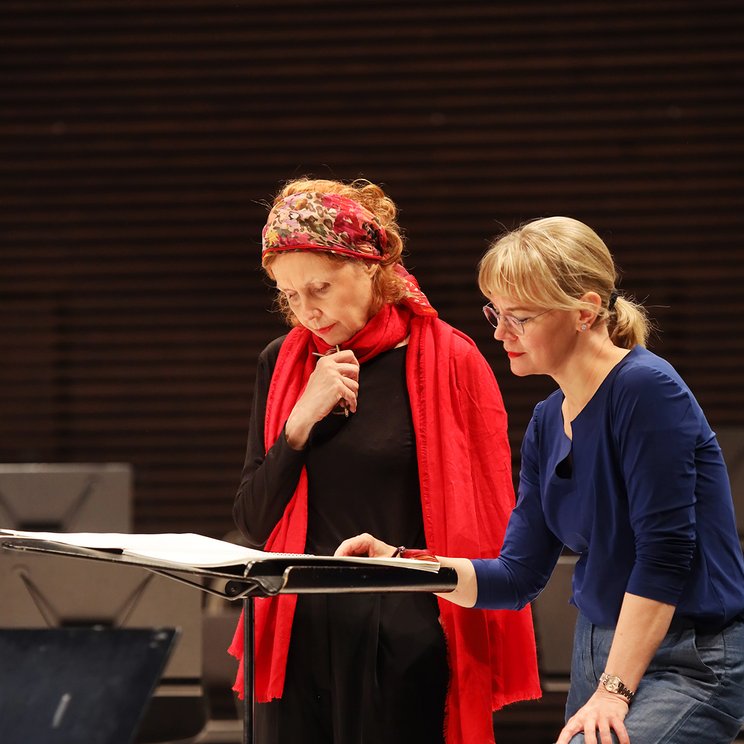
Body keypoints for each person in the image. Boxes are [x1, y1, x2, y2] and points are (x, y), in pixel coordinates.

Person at [337, 216, 744, 744]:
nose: (501, 333)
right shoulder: (548, 421)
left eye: (520, 317)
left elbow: (664, 555)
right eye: (496, 313)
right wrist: (400, 563)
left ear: (586, 310)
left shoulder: (646, 390)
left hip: (690, 656)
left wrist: (613, 691)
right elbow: (515, 576)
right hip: (599, 652)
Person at [228, 178, 541, 744]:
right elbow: (253, 521)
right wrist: (299, 421)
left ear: (372, 266)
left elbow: (488, 520)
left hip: (403, 635)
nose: (307, 311)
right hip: (296, 629)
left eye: (319, 287)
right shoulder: (283, 364)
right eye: (290, 295)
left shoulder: (450, 359)